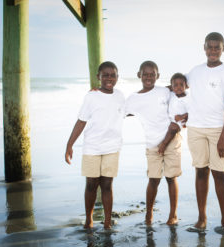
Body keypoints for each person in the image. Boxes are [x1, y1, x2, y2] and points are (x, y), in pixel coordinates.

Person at [185, 32, 224, 235]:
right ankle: (201, 219)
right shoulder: (195, 71)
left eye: (217, 47)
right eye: (210, 47)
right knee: (200, 171)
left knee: (219, 173)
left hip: (218, 130)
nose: (213, 51)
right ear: (204, 48)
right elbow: (177, 88)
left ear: (223, 49)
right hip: (195, 128)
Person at [64, 61, 125, 231]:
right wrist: (70, 144)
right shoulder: (91, 96)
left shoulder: (120, 96)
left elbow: (133, 108)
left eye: (112, 75)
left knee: (107, 184)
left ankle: (107, 221)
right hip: (92, 147)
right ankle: (89, 219)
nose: (109, 78)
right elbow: (81, 121)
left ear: (117, 77)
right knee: (91, 184)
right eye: (105, 75)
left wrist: (169, 90)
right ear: (98, 77)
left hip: (112, 147)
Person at [125, 61, 181, 226]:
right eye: (145, 74)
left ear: (157, 76)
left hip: (171, 139)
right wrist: (98, 91)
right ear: (139, 75)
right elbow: (118, 110)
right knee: (153, 179)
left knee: (171, 178)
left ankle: (173, 215)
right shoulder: (133, 98)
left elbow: (181, 88)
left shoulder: (164, 91)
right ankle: (148, 215)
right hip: (152, 143)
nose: (148, 77)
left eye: (152, 74)